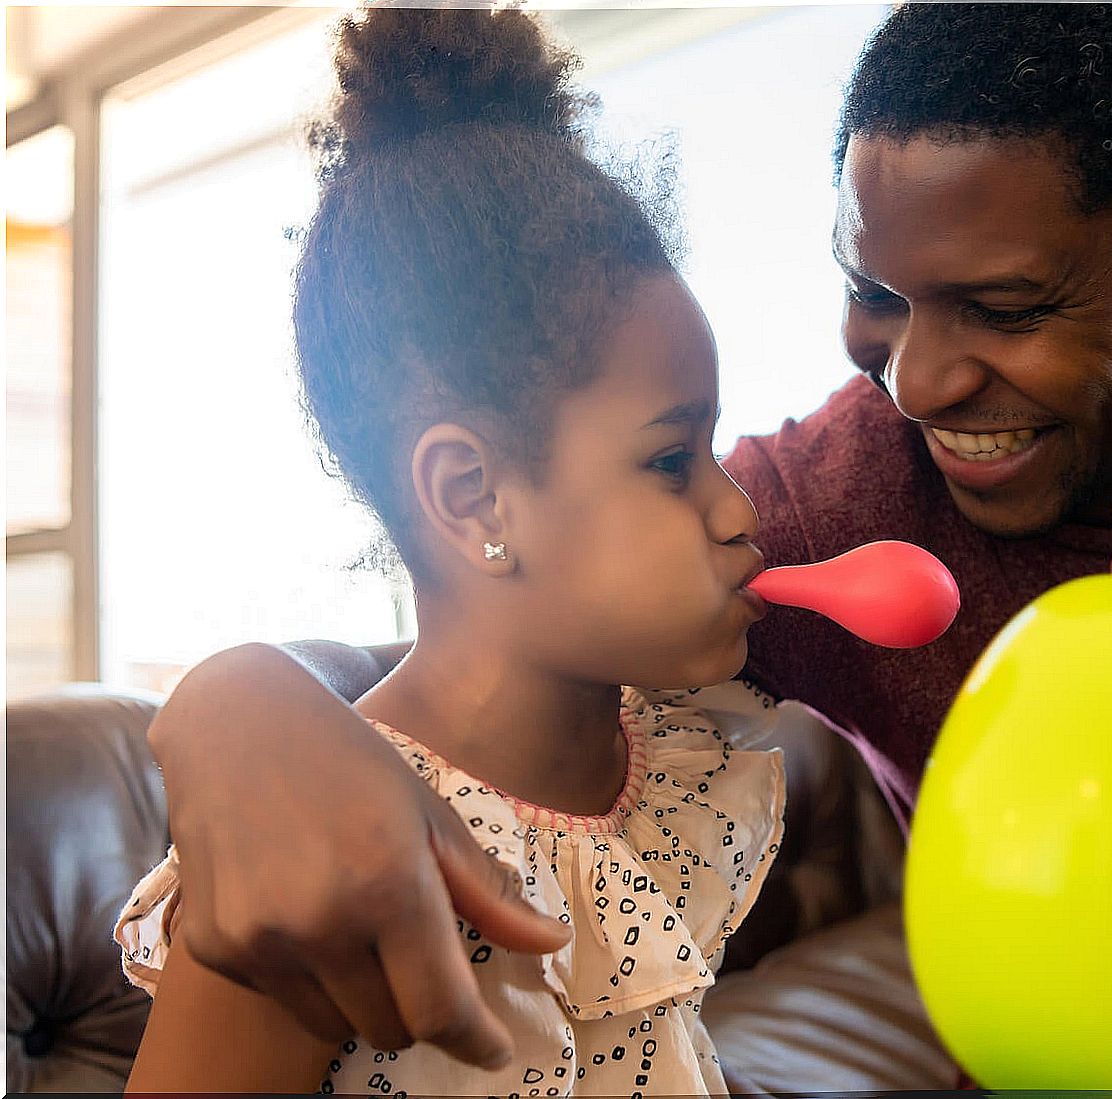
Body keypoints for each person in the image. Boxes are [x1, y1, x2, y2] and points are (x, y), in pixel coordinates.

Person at [137, 2, 1112, 1092]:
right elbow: (497, 625)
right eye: (873, 291)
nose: (918, 380)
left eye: (1003, 305)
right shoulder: (832, 497)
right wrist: (231, 698)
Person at [115, 6, 790, 1093]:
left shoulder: (668, 773)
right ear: (474, 496)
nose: (735, 508)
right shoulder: (317, 858)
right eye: (672, 461)